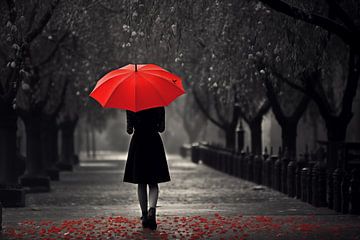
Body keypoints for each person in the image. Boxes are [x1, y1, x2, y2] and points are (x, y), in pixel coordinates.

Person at [123, 106, 171, 230]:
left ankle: (144, 216)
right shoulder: (159, 104)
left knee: (141, 182)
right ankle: (152, 211)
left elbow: (129, 130)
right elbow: (161, 128)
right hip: (154, 142)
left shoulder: (131, 105)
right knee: (153, 182)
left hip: (138, 144)